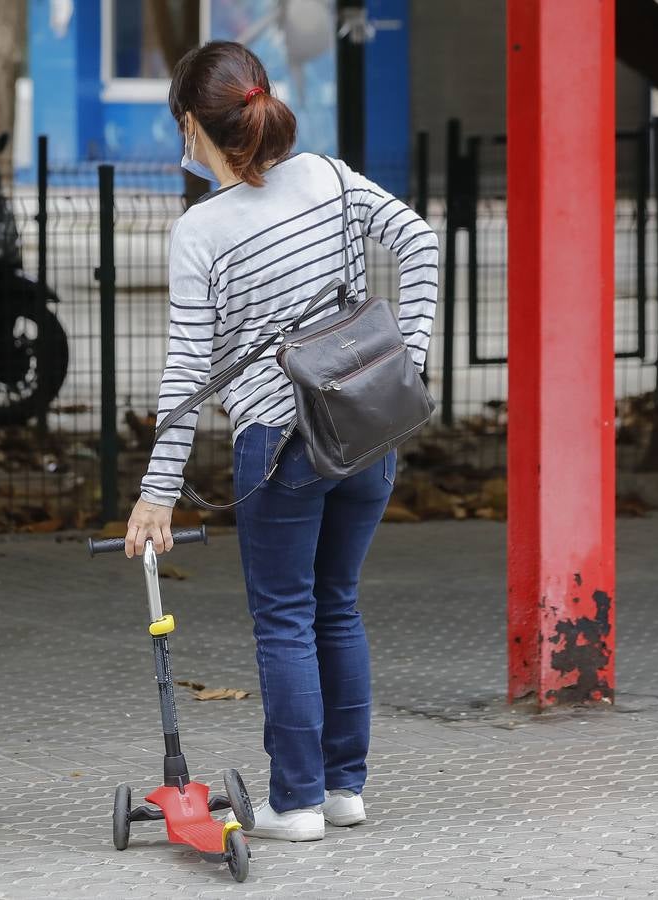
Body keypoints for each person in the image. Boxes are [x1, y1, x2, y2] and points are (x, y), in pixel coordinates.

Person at [125, 42, 438, 842]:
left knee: (287, 619)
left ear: (193, 125)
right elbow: (421, 245)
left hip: (281, 445)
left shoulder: (202, 230)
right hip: (368, 431)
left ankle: (295, 804)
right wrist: (408, 369)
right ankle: (344, 791)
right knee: (336, 607)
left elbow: (188, 371)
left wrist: (158, 493)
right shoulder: (330, 177)